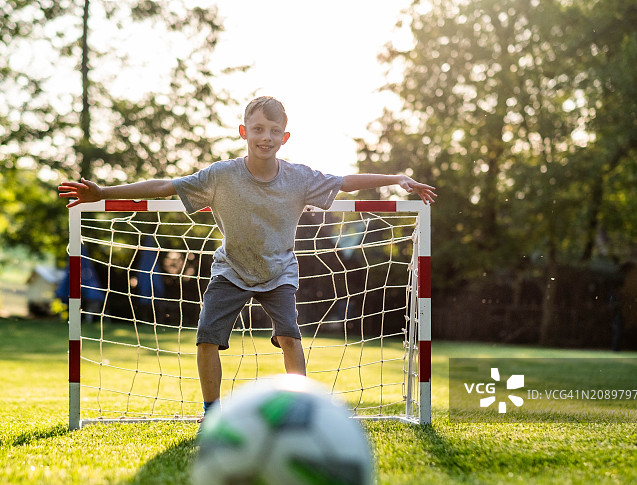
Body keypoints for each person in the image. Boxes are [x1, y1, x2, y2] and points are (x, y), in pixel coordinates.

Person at [58, 96, 437, 420]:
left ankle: (299, 412)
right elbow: (164, 186)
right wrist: (103, 191)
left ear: (284, 137)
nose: (265, 137)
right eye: (257, 129)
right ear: (244, 132)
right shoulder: (221, 175)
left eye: (274, 131)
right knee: (206, 339)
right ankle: (213, 414)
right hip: (231, 270)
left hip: (279, 271)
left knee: (290, 337)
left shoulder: (300, 178)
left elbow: (344, 181)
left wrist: (396, 177)